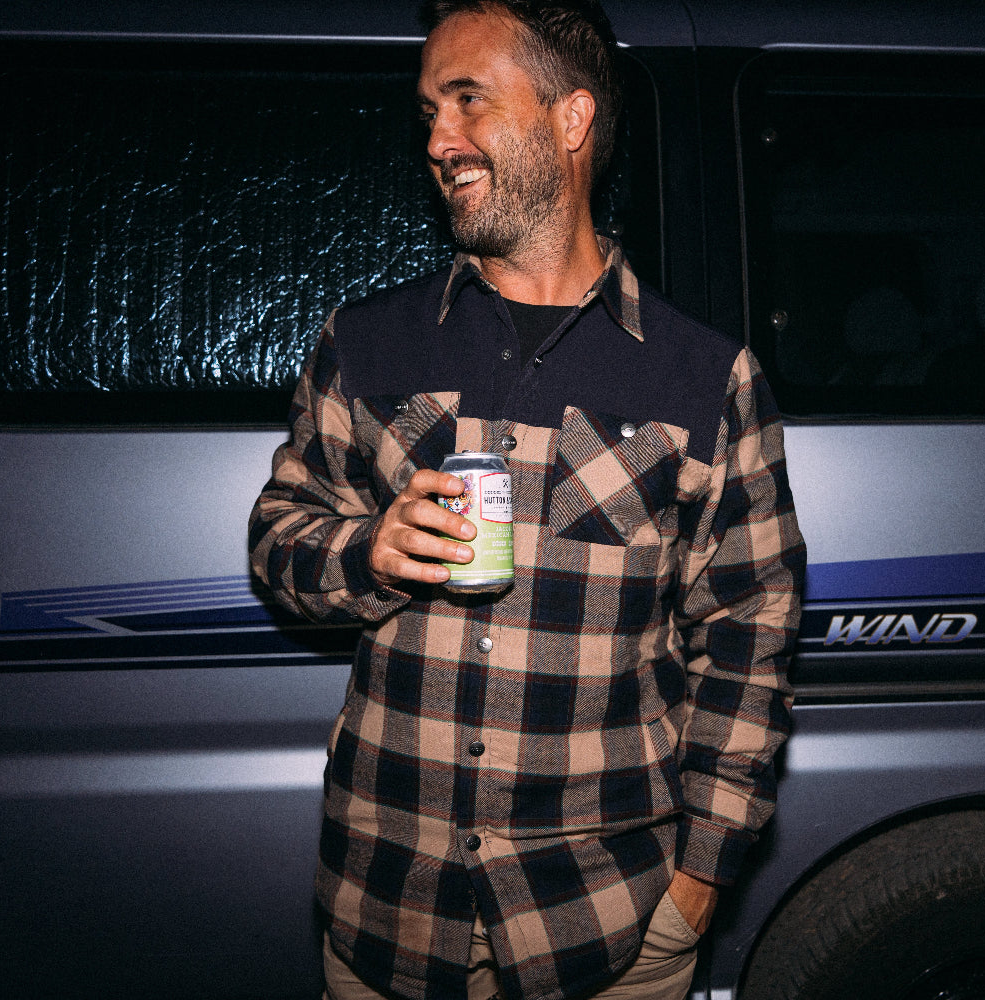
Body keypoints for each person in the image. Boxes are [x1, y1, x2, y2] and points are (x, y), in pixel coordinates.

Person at [248, 2, 805, 998]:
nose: (439, 140)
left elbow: (749, 635)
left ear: (570, 117)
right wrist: (368, 551)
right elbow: (277, 538)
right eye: (429, 112)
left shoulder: (703, 378)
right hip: (386, 906)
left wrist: (701, 879)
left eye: (469, 101)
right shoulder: (366, 342)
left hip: (608, 922)